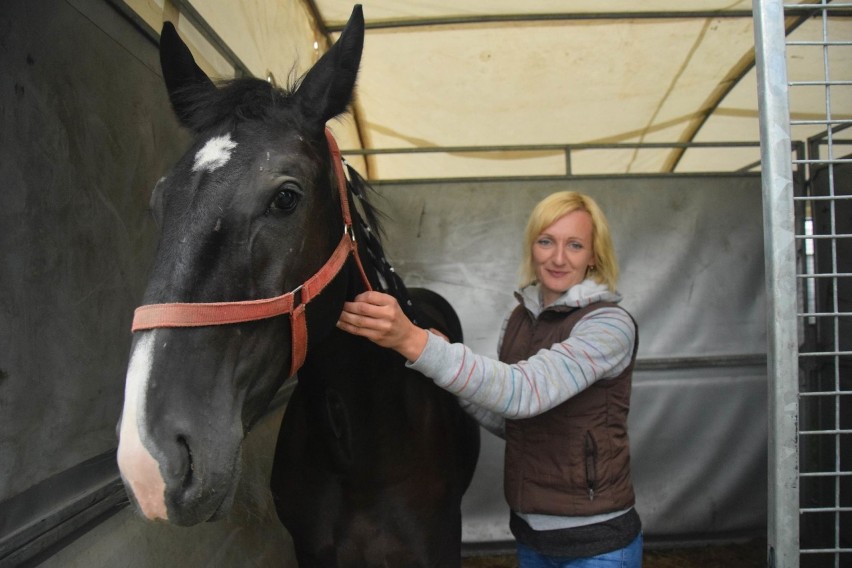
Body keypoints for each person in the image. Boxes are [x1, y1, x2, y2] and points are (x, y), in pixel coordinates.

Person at [337, 191, 642, 567]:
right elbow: (511, 420)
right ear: (532, 247)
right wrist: (441, 371)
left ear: (594, 255)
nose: (558, 257)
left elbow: (522, 393)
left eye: (575, 245)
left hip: (597, 545)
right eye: (546, 241)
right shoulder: (519, 320)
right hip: (531, 536)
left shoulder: (609, 325)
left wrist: (414, 342)